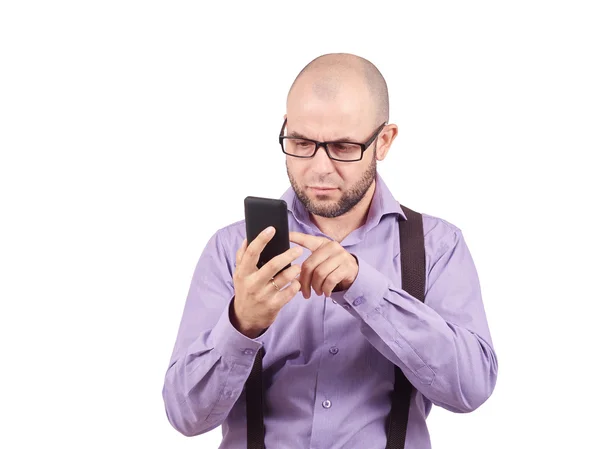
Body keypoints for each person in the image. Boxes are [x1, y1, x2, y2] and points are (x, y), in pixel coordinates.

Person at [162, 53, 498, 449]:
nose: (319, 168)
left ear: (384, 141)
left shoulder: (437, 246)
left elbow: (471, 389)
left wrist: (366, 290)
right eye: (302, 143)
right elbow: (186, 417)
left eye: (342, 147)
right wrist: (241, 324)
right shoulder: (231, 250)